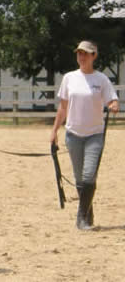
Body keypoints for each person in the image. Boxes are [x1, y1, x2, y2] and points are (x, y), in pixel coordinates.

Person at [50, 40, 119, 230]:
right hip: (73, 135)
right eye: (79, 53)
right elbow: (63, 107)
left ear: (93, 56)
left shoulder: (101, 80)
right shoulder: (69, 78)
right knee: (80, 180)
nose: (82, 57)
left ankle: (81, 217)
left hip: (95, 135)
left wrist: (113, 105)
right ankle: (88, 213)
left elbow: (112, 99)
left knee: (89, 178)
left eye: (86, 54)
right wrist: (54, 130)